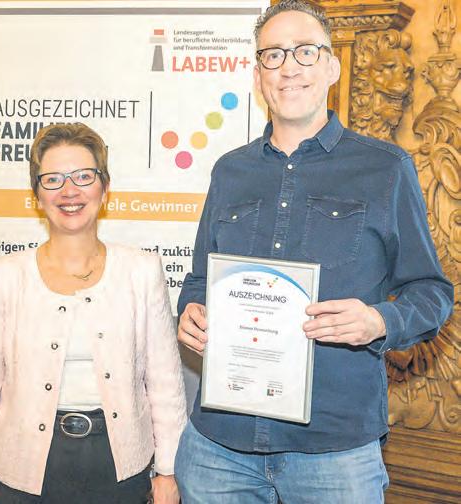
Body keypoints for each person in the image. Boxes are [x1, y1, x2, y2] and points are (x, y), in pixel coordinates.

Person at [175, 1, 454, 503]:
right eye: (274, 55)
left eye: (305, 51)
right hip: (219, 450)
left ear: (331, 67)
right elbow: (199, 278)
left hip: (335, 453)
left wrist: (379, 320)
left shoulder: (385, 168)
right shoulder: (229, 171)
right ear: (258, 75)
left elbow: (431, 292)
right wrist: (192, 310)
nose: (289, 68)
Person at [0, 123, 187, 504]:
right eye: (53, 179)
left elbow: (165, 383)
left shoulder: (142, 271)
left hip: (120, 472)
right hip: (21, 474)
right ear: (36, 195)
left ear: (104, 187)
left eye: (83, 176)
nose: (69, 191)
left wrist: (169, 470)